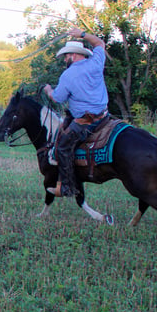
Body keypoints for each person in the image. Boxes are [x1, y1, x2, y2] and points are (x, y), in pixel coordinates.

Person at [43, 28, 109, 197]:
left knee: (62, 147)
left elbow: (57, 98)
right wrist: (82, 34)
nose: (65, 59)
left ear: (73, 55)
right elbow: (99, 43)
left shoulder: (68, 75)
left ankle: (67, 187)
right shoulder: (96, 62)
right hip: (104, 116)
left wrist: (49, 90)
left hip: (85, 122)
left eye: (66, 56)